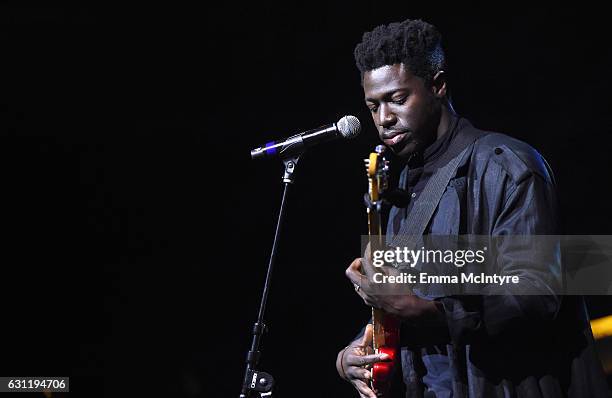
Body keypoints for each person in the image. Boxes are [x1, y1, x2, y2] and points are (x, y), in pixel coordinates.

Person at [336, 19, 610, 398]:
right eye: (373, 106)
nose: (383, 119)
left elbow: (535, 293)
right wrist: (354, 352)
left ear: (438, 85)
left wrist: (421, 309)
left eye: (397, 99)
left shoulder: (508, 164)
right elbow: (416, 297)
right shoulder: (402, 189)